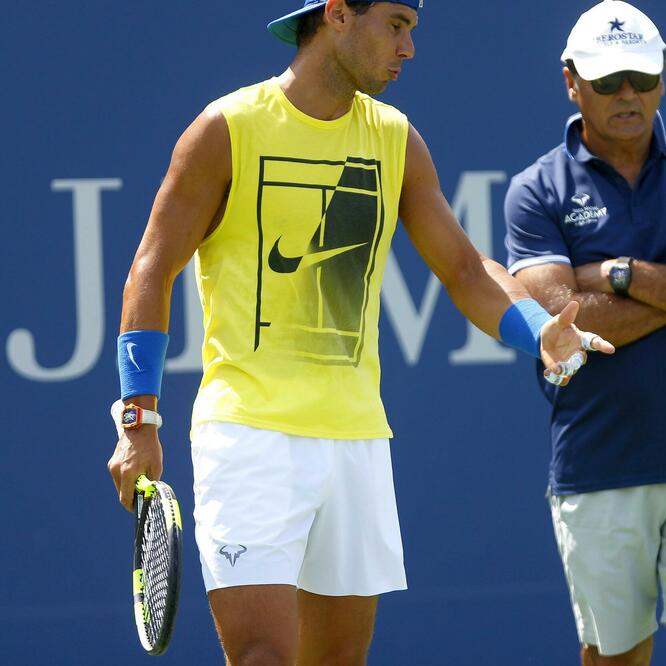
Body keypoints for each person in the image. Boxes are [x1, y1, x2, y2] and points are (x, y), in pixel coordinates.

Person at [106, 1, 614, 664]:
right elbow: (152, 264)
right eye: (397, 24)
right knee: (262, 656)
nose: (408, 49)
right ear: (339, 15)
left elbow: (463, 266)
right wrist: (137, 418)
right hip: (248, 436)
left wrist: (538, 331)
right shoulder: (225, 129)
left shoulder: (396, 138)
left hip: (357, 441)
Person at [503, 2, 666, 665]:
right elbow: (564, 326)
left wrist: (621, 275)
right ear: (571, 82)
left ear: (663, 78)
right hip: (599, 469)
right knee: (616, 658)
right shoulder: (535, 191)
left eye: (642, 79)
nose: (628, 94)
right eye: (608, 79)